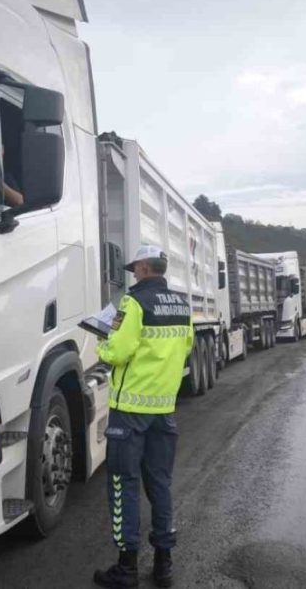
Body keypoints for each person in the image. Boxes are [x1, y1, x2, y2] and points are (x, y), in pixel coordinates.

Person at [93, 245, 194, 589]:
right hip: (164, 410)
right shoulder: (181, 305)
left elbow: (118, 351)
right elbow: (186, 346)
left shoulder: (133, 303)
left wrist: (102, 344)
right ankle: (164, 565)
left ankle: (127, 568)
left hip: (131, 411)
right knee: (160, 484)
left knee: (124, 484)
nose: (133, 273)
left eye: (135, 268)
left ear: (145, 268)